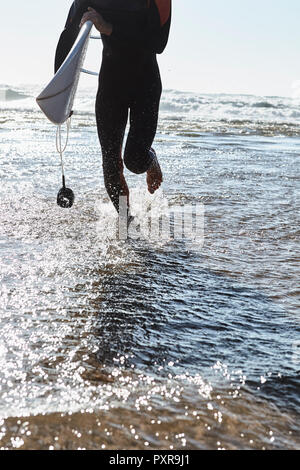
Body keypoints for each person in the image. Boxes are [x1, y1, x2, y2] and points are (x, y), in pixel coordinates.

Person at [55, 0, 171, 218]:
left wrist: (109, 28)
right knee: (110, 165)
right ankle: (126, 224)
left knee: (135, 160)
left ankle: (150, 160)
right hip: (111, 85)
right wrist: (62, 98)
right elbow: (68, 37)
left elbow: (158, 42)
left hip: (145, 84)